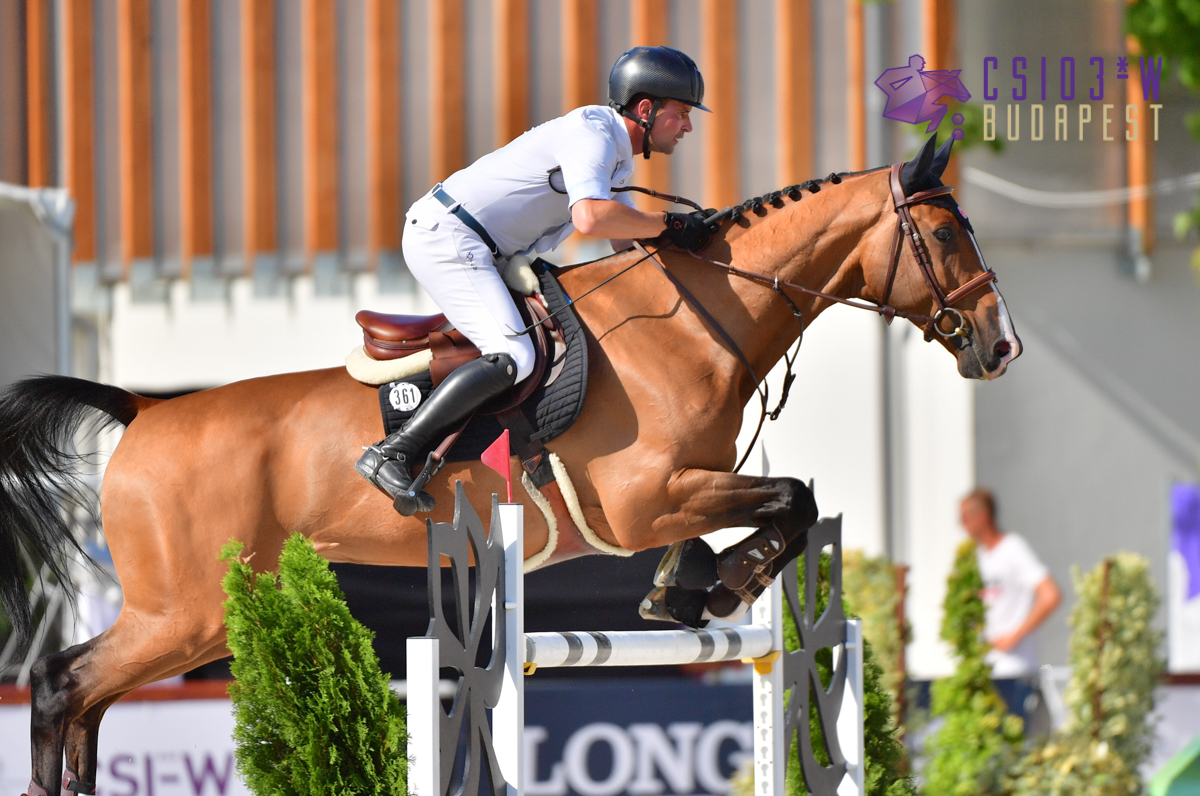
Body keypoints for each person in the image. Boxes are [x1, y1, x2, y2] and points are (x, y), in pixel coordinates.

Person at [356, 46, 715, 516]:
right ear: (646, 110)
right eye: (682, 113)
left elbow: (619, 241)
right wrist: (671, 224)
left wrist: (684, 255)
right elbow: (590, 218)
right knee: (514, 356)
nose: (688, 126)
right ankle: (393, 451)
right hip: (451, 239)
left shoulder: (618, 157)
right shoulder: (593, 133)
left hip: (485, 249)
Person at [959, 488, 1062, 717]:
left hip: (1014, 671)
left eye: (964, 517)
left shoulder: (1012, 548)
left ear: (982, 517)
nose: (960, 525)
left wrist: (1014, 636)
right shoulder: (978, 557)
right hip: (985, 670)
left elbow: (1050, 595)